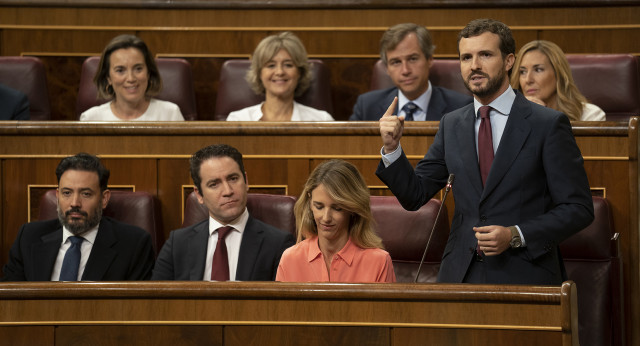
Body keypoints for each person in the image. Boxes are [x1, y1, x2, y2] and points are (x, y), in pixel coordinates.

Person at [376, 19, 594, 285]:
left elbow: (578, 208)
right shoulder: (451, 124)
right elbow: (414, 195)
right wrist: (391, 148)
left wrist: (515, 234)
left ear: (509, 60)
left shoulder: (547, 124)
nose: (474, 65)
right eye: (466, 57)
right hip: (460, 276)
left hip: (526, 275)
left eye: (485, 55)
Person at [1, 153, 155, 281]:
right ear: (57, 195)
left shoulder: (133, 245)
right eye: (67, 193)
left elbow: (136, 310)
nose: (75, 203)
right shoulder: (28, 237)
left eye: (86, 194)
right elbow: (10, 302)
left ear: (104, 199)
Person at [152, 144, 295, 281]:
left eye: (233, 179)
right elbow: (156, 302)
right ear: (199, 195)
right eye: (214, 184)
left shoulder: (278, 244)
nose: (228, 191)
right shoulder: (177, 244)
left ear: (246, 181)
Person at [276, 159, 396, 283]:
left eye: (337, 208)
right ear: (309, 203)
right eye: (319, 206)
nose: (326, 218)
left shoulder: (379, 261)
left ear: (352, 209)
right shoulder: (290, 259)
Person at [350, 23, 471, 121]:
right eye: (396, 62)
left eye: (413, 59)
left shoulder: (462, 108)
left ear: (429, 59)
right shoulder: (367, 106)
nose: (405, 70)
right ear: (387, 68)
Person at [226, 32, 334, 121]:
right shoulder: (238, 120)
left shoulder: (321, 120)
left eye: (288, 65)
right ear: (259, 73)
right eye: (271, 65)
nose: (280, 72)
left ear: (300, 72)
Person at [80, 34, 184, 121]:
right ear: (108, 78)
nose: (131, 78)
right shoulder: (91, 119)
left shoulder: (171, 115)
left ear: (148, 72)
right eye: (120, 70)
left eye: (138, 69)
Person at [511, 40, 605, 121]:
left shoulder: (590, 115)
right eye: (522, 72)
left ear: (558, 74)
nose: (528, 80)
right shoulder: (510, 115)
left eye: (538, 70)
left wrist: (543, 116)